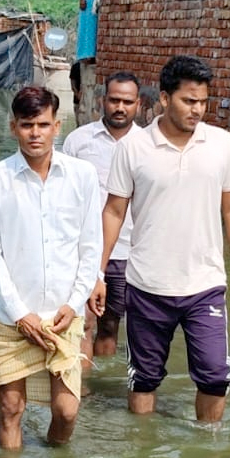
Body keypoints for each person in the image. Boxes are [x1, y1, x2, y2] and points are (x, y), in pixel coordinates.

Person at [94, 55, 230, 423]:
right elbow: (114, 211)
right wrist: (97, 273)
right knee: (144, 380)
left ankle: (207, 457)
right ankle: (142, 455)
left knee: (215, 376)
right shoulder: (133, 148)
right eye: (188, 101)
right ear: (164, 99)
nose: (197, 110)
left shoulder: (220, 144)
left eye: (202, 102)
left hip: (205, 283)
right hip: (147, 284)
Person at [0, 86, 103, 449]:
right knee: (10, 407)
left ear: (57, 126)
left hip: (65, 313)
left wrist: (74, 303)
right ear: (13, 127)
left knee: (66, 411)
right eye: (28, 125)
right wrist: (19, 313)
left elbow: (90, 246)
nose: (36, 133)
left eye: (43, 125)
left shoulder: (82, 175)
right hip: (13, 315)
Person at [61, 71, 145, 365]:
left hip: (126, 252)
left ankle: (100, 397)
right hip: (81, 250)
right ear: (102, 100)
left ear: (138, 104)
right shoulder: (78, 141)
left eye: (127, 101)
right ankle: (79, 393)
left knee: (109, 325)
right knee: (82, 323)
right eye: (114, 100)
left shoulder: (146, 145)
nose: (120, 107)